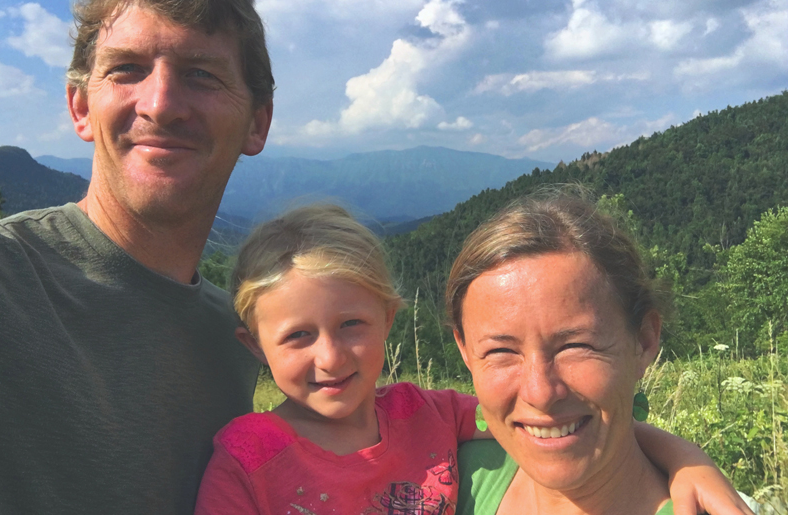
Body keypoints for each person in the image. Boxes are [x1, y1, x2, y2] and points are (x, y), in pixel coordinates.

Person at [0, 0, 272, 515]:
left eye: (201, 74)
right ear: (81, 106)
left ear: (257, 124)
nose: (160, 103)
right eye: (127, 68)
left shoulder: (239, 337)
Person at [195, 204, 756, 515]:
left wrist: (684, 458)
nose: (331, 356)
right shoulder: (249, 456)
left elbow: (545, 425)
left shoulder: (427, 417)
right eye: (298, 337)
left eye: (575, 343)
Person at [447, 191, 759, 515]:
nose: (539, 393)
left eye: (575, 346)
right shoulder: (445, 478)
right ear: (466, 351)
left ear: (644, 340)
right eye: (501, 351)